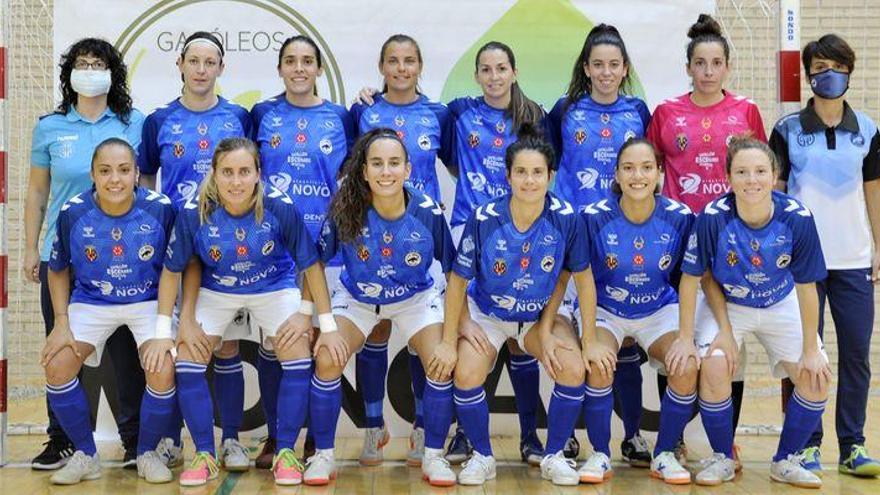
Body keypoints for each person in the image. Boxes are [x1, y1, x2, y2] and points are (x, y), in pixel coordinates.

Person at [157, 137, 335, 486]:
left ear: (258, 174)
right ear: (214, 174)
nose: (235, 181)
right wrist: (172, 328)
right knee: (188, 357)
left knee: (296, 347)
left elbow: (311, 265)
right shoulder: (195, 211)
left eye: (244, 172)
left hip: (273, 286)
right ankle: (205, 454)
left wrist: (317, 321)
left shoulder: (279, 205)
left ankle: (285, 453)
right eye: (227, 172)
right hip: (218, 289)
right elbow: (173, 269)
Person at [434, 124, 596, 486]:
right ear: (507, 176)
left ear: (551, 176)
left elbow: (581, 281)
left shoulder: (567, 218)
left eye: (537, 172)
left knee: (571, 367)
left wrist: (589, 338)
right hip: (489, 315)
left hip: (540, 318)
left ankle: (553, 455)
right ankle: (483, 455)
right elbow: (458, 282)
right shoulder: (484, 218)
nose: (529, 180)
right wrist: (455, 332)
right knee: (466, 372)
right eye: (520, 172)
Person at [302, 128, 458, 486]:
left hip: (414, 299)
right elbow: (314, 264)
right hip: (358, 299)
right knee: (327, 358)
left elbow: (455, 273)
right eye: (377, 164)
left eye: (393, 164)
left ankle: (433, 455)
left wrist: (452, 334)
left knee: (439, 363)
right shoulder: (346, 207)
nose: (385, 172)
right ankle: (324, 456)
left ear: (407, 170)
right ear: (363, 171)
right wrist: (322, 324)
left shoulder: (427, 212)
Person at [646, 14, 767, 464]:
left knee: (725, 342)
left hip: (732, 245)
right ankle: (673, 438)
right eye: (701, 62)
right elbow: (646, 174)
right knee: (678, 343)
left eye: (717, 62)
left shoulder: (746, 111)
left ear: (727, 67)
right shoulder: (666, 113)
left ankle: (725, 440)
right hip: (678, 244)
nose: (709, 71)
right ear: (689, 67)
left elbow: (760, 177)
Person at [25, 37, 148, 471]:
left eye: (99, 63)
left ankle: (136, 441)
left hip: (123, 255)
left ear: (112, 72)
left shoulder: (134, 122)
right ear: (69, 73)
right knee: (60, 347)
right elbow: (38, 191)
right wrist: (30, 247)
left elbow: (146, 189)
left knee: (127, 354)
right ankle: (60, 440)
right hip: (62, 258)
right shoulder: (50, 126)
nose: (90, 69)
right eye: (82, 63)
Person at [678, 137, 830, 488]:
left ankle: (786, 460)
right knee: (715, 365)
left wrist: (810, 349)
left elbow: (807, 288)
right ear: (729, 177)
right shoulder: (713, 218)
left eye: (761, 171)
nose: (752, 180)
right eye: (742, 172)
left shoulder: (798, 219)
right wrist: (694, 337)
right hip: (729, 302)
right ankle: (722, 457)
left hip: (780, 300)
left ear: (774, 175)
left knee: (817, 376)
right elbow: (693, 279)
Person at [137, 31, 253, 471]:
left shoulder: (239, 116)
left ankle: (232, 441)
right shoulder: (159, 119)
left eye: (211, 62)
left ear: (221, 69)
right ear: (181, 65)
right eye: (195, 61)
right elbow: (146, 179)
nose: (202, 70)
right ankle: (171, 440)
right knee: (179, 347)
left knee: (223, 349)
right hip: (180, 249)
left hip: (229, 249)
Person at [769, 33, 880, 477]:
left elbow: (874, 192)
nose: (827, 75)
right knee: (804, 355)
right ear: (808, 75)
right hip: (802, 266)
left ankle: (852, 445)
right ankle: (805, 445)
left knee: (856, 356)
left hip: (854, 261)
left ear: (849, 71)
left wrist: (878, 248)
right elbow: (775, 195)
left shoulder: (869, 129)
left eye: (835, 67)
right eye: (818, 68)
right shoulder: (787, 129)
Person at [40, 139, 175, 485]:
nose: (115, 179)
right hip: (92, 301)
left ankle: (145, 452)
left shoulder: (160, 209)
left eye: (124, 170)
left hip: (147, 300)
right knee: (57, 366)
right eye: (105, 171)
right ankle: (86, 454)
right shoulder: (73, 211)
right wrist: (61, 323)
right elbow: (56, 268)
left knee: (162, 368)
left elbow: (177, 268)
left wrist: (168, 321)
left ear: (136, 174)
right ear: (92, 175)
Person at [548, 23, 653, 466]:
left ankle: (632, 435)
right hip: (576, 239)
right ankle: (570, 434)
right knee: (574, 337)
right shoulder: (565, 109)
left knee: (623, 340)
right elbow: (546, 163)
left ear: (624, 68)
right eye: (598, 65)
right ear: (586, 69)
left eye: (614, 65)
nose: (606, 72)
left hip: (625, 239)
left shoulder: (638, 111)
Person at [348, 33, 454, 466]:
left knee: (419, 337)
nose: (401, 68)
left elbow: (456, 165)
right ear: (382, 66)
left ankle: (423, 429)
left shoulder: (438, 113)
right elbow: (353, 167)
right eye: (393, 60)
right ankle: (374, 429)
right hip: (372, 233)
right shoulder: (363, 110)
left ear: (420, 66)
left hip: (421, 235)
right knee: (374, 330)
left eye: (409, 60)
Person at [249, 34, 354, 468]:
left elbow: (349, 183)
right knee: (279, 344)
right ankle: (277, 437)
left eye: (307, 61)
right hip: (275, 253)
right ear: (279, 69)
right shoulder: (262, 114)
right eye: (290, 61)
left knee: (316, 345)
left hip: (327, 251)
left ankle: (311, 440)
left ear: (318, 69)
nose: (298, 68)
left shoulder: (340, 117)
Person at [575, 138, 696, 485]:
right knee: (598, 364)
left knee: (685, 365)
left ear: (659, 173)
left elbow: (689, 278)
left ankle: (665, 454)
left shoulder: (680, 217)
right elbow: (581, 280)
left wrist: (686, 337)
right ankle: (600, 453)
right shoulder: (594, 218)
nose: (637, 176)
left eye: (646, 168)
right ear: (616, 174)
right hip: (607, 309)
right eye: (628, 168)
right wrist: (587, 337)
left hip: (658, 308)